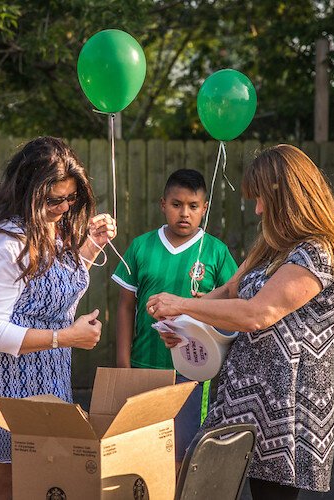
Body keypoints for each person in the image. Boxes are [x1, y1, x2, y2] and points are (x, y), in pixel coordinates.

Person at [147, 144, 334, 499]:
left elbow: (257, 313)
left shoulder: (317, 252)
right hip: (246, 397)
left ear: (289, 196)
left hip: (285, 405)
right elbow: (228, 292)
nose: (258, 208)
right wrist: (183, 324)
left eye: (262, 198)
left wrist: (182, 305)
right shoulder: (274, 246)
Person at [0, 136, 117, 499]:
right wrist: (65, 338)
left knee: (39, 478)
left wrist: (90, 247)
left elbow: (53, 298)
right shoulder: (4, 242)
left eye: (71, 198)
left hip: (49, 372)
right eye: (55, 199)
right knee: (1, 483)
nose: (64, 206)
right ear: (28, 191)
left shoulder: (55, 230)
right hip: (5, 379)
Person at [112, 168, 237, 471]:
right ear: (163, 204)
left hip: (193, 370)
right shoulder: (141, 246)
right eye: (176, 204)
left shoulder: (216, 252)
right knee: (141, 452)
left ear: (204, 209)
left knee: (183, 454)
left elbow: (233, 305)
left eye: (193, 206)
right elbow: (126, 308)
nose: (184, 213)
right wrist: (123, 364)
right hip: (143, 365)